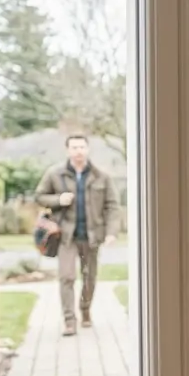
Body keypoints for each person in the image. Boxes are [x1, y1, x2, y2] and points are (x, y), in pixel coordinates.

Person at [34, 134, 121, 336]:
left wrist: (111, 233)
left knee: (89, 278)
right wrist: (58, 199)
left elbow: (112, 207)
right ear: (68, 151)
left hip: (92, 236)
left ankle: (85, 310)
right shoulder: (55, 174)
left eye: (82, 147)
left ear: (88, 149)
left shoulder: (102, 176)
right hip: (65, 236)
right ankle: (69, 321)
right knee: (67, 277)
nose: (78, 151)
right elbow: (39, 196)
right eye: (74, 147)